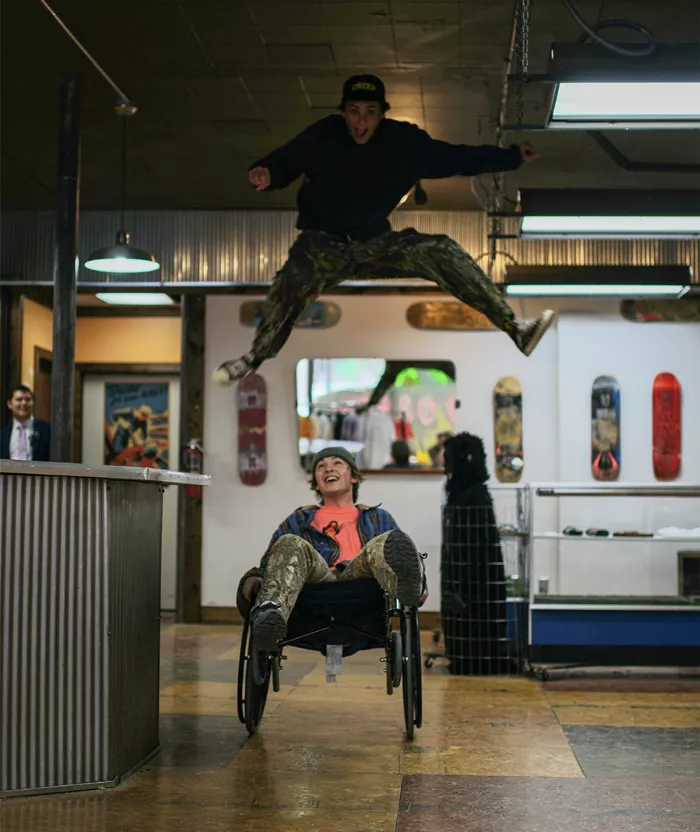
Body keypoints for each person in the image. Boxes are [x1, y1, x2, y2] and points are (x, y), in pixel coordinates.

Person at [214, 74, 555, 385]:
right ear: (343, 112)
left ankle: (515, 328)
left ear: (382, 114)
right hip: (321, 245)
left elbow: (457, 158)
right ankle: (254, 357)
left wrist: (510, 158)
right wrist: (267, 172)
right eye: (354, 112)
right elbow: (287, 159)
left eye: (370, 112)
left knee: (439, 249)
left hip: (372, 243)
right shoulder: (323, 136)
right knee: (293, 281)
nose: (361, 121)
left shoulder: (404, 143)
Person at [237, 446, 427, 651]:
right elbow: (271, 563)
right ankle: (270, 612)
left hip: (362, 584)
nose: (328, 469)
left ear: (354, 477)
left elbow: (401, 556)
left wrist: (419, 584)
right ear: (316, 484)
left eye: (337, 463)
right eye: (321, 466)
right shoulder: (299, 519)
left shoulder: (379, 517)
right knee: (290, 542)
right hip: (315, 585)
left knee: (387, 542)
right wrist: (253, 578)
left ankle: (407, 586)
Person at [1, 385, 51, 461]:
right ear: (9, 404)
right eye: (19, 399)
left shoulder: (47, 429)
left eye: (28, 400)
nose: (24, 403)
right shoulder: (3, 435)